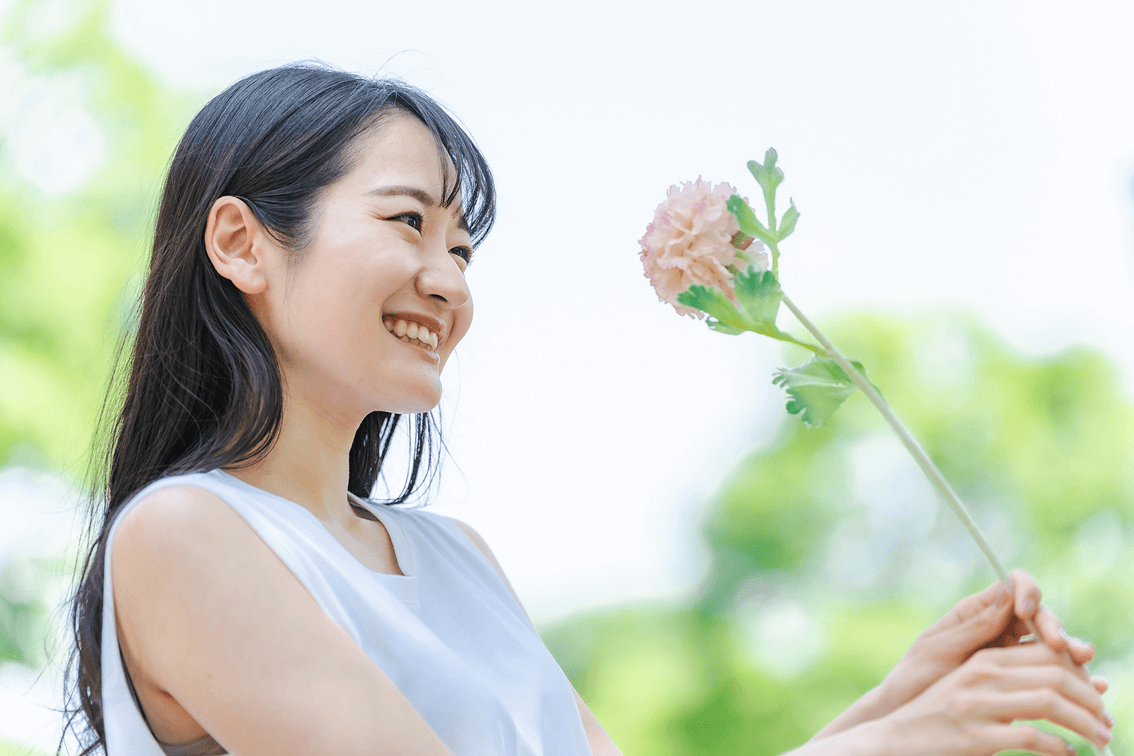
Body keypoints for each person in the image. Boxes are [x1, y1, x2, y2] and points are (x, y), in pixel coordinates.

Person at [65, 64, 1112, 756]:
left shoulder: (456, 557)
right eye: (407, 223)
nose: (448, 280)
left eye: (463, 251)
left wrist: (905, 700)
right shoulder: (186, 535)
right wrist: (889, 743)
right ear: (242, 242)